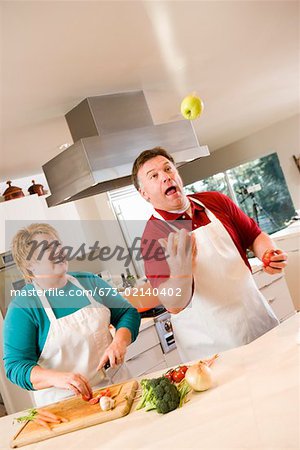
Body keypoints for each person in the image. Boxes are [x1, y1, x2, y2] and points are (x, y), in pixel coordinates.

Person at [131, 147, 288, 361]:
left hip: (258, 322)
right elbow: (173, 305)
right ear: (144, 194)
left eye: (168, 169)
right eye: (154, 176)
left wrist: (267, 253)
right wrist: (180, 271)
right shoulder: (153, 236)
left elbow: (254, 236)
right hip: (213, 349)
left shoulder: (215, 201)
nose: (165, 177)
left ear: (178, 174)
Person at [3, 223, 140, 407]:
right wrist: (56, 378)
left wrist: (119, 342)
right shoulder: (24, 307)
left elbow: (127, 313)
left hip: (118, 387)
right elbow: (16, 366)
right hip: (67, 403)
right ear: (29, 264)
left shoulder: (89, 282)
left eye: (57, 245)